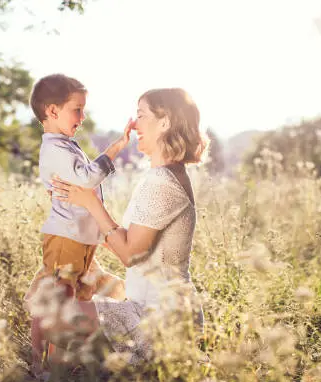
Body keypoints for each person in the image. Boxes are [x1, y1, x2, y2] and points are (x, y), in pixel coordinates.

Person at [43, 87, 209, 365]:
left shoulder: (163, 183)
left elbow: (130, 254)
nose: (134, 124)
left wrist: (92, 203)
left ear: (165, 123)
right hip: (155, 308)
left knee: (54, 320)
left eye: (141, 116)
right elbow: (131, 242)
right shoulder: (164, 176)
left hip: (158, 319)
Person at [24, 73, 131, 372]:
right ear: (52, 111)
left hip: (79, 240)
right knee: (59, 301)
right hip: (66, 239)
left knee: (72, 298)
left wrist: (103, 237)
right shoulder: (56, 149)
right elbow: (86, 179)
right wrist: (115, 149)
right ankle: (42, 366)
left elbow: (85, 196)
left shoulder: (65, 145)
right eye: (77, 109)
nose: (82, 117)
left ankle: (58, 363)